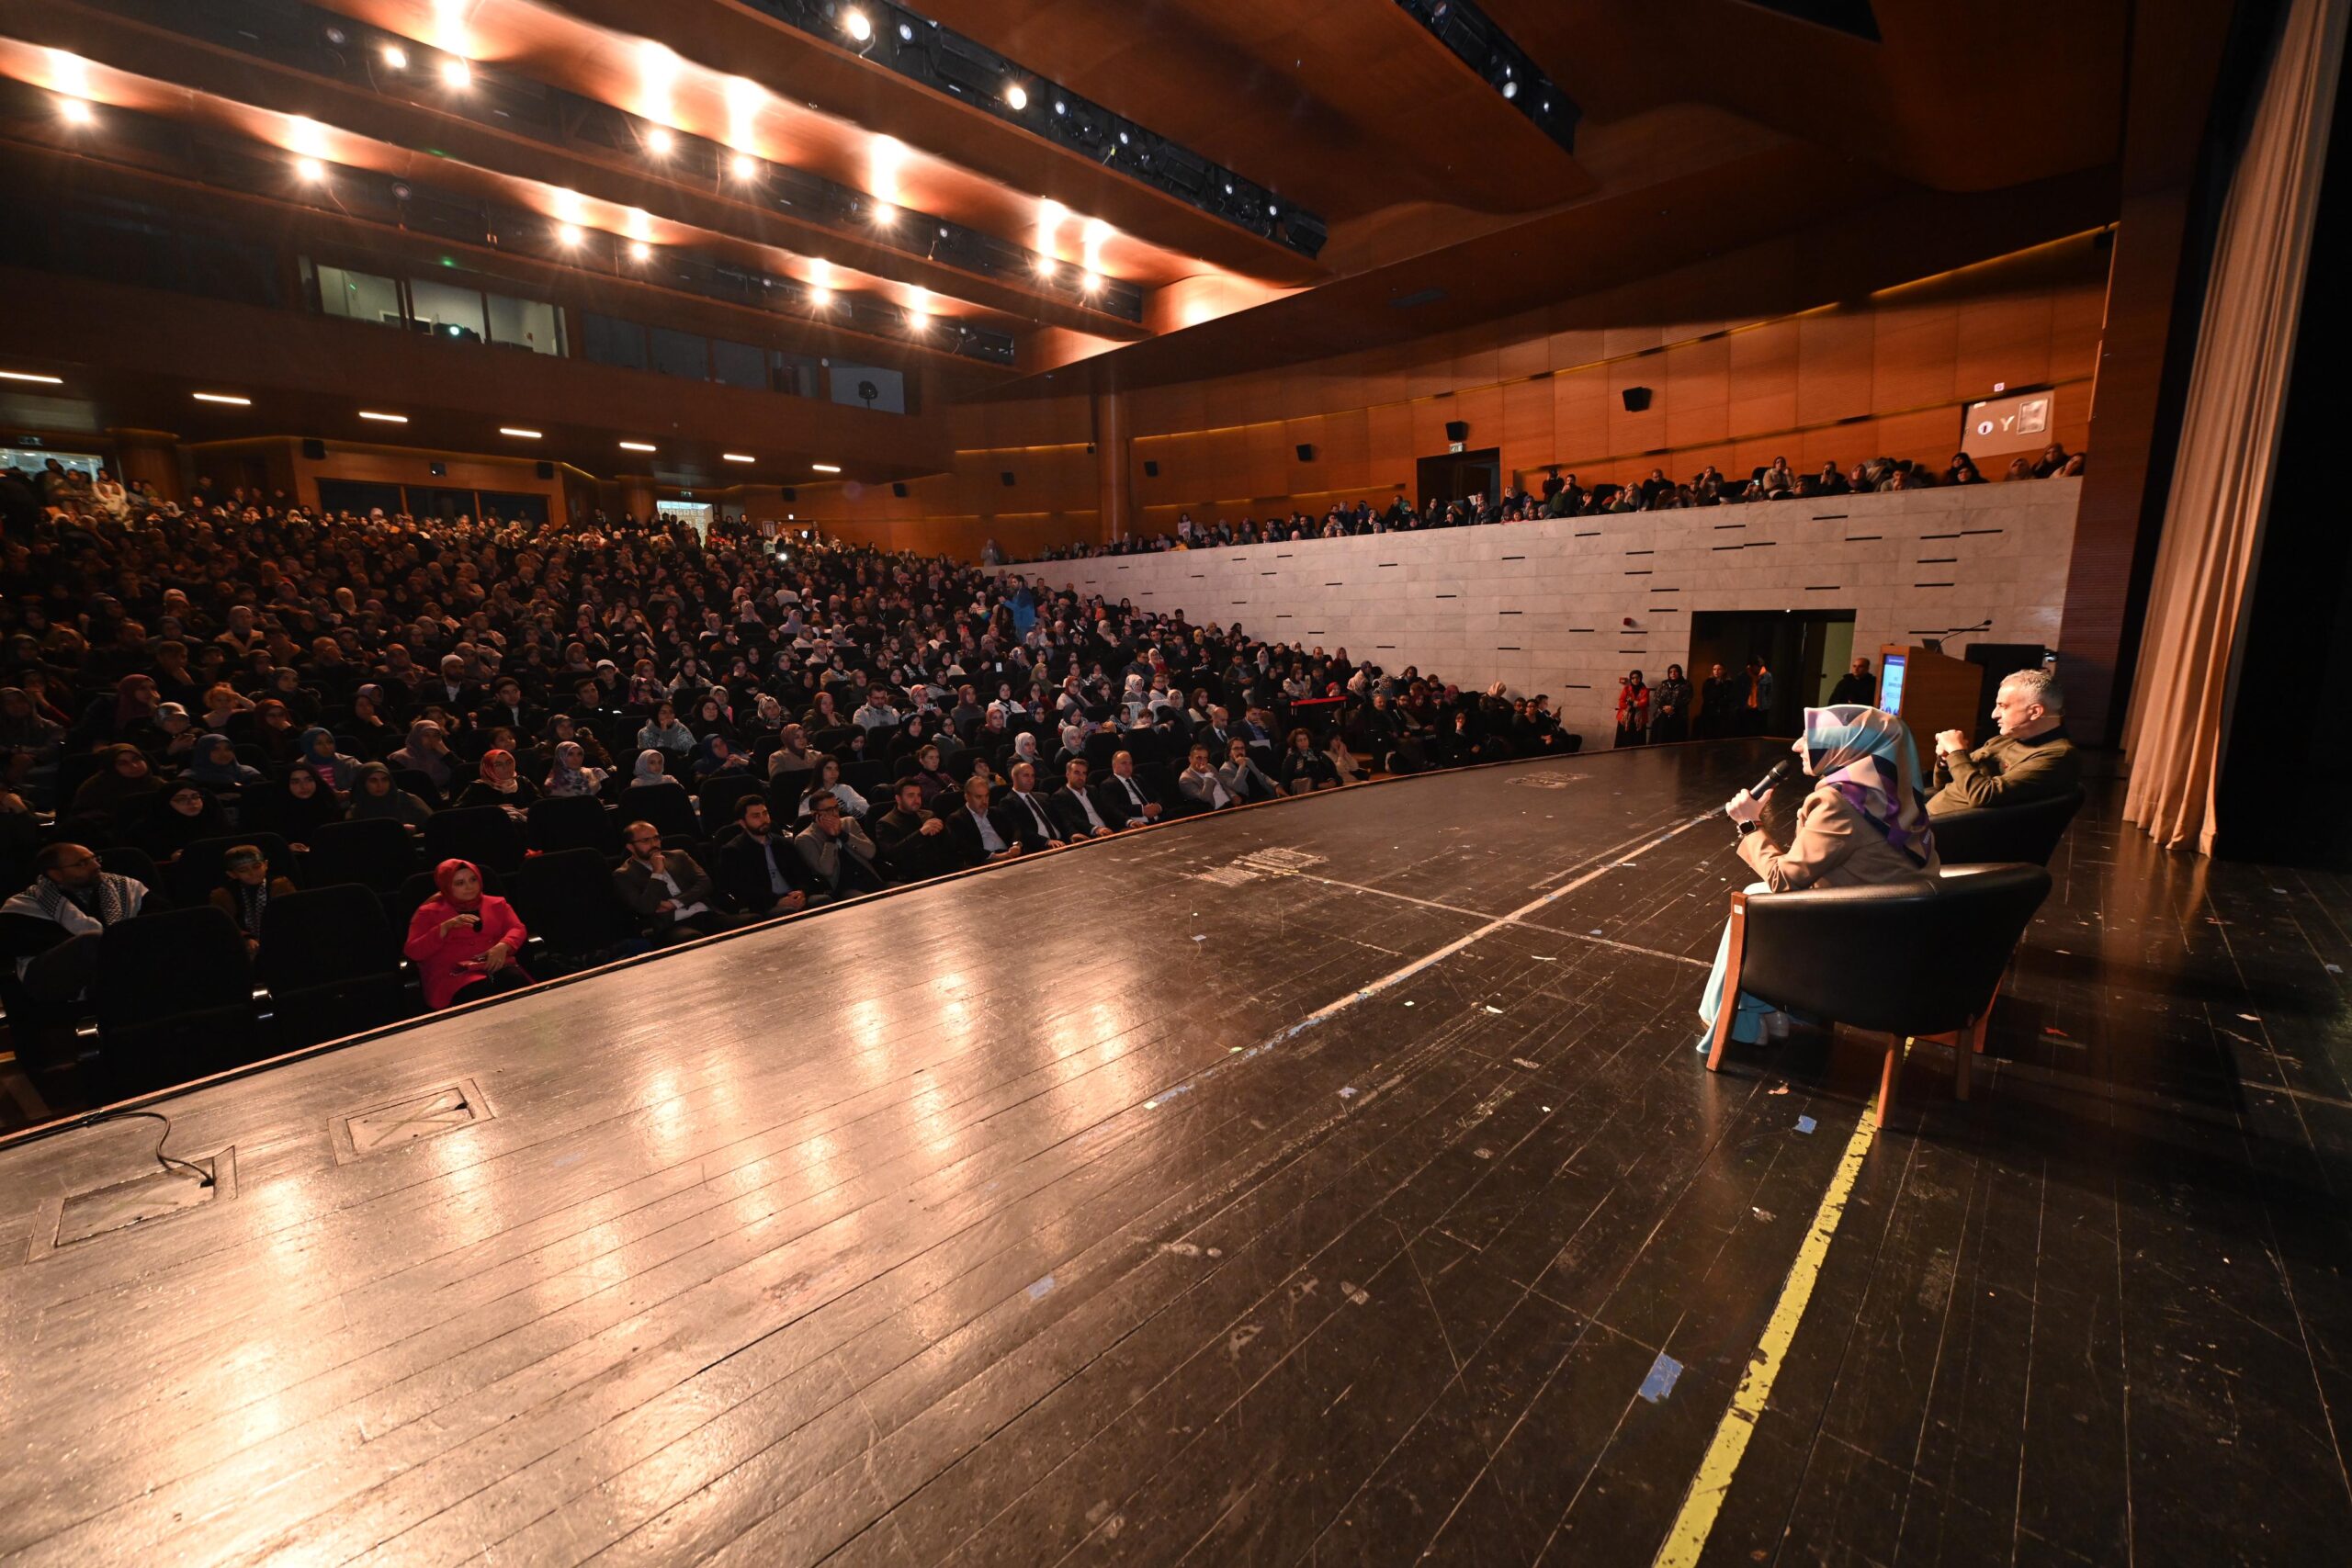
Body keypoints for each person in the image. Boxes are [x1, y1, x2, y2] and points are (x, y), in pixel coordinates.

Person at [1701, 707, 1940, 1051]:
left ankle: (1738, 1018)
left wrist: (1749, 825)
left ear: (1846, 744)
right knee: (1760, 894)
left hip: (1854, 946)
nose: (1797, 746)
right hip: (1899, 934)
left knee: (1755, 900)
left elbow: (1784, 879)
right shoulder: (1893, 792)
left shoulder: (1840, 802)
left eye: (1809, 737)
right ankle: (1769, 1012)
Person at [1, 843, 151, 1006]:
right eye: (82, 863)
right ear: (56, 874)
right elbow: (25, 946)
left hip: (116, 968)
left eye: (95, 859)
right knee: (92, 941)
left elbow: (159, 918)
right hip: (52, 976)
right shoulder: (23, 905)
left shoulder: (126, 887)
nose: (96, 866)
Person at [1925, 670, 2080, 815]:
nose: (1994, 714)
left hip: (1948, 828)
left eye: (2003, 706)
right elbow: (1944, 784)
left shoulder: (2058, 755)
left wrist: (1956, 752)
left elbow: (1984, 796)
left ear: (2035, 712)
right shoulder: (2005, 739)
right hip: (1926, 818)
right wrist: (1946, 759)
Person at [402, 857, 529, 1009]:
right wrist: (444, 928)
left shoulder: (497, 903)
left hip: (493, 964)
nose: (469, 887)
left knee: (515, 980)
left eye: (473, 880)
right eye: (460, 883)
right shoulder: (428, 912)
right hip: (452, 975)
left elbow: (517, 928)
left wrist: (503, 946)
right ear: (447, 886)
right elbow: (413, 951)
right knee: (481, 991)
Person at [614, 820, 733, 942]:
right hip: (672, 925)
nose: (654, 844)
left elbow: (705, 883)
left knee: (744, 922)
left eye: (656, 838)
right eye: (645, 840)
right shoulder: (624, 874)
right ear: (630, 847)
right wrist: (657, 873)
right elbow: (646, 907)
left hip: (706, 913)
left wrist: (675, 903)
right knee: (692, 938)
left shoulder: (678, 856)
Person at [711, 795, 812, 918]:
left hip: (794, 896)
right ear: (743, 823)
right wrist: (777, 901)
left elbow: (803, 873)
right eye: (756, 816)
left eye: (765, 813)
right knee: (787, 912)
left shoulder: (783, 843)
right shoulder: (733, 851)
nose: (764, 819)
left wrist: (801, 892)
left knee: (821, 900)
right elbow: (742, 889)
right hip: (764, 905)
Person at [794, 792, 885, 899]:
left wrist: (842, 834)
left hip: (869, 879)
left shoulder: (849, 823)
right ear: (815, 814)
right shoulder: (805, 839)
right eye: (828, 810)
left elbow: (871, 852)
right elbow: (826, 870)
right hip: (842, 888)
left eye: (836, 808)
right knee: (865, 900)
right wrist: (831, 838)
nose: (835, 813)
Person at [209, 843, 296, 953]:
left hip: (279, 938)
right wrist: (245, 938)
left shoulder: (280, 885)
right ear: (232, 874)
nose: (252, 873)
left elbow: (292, 915)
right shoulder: (222, 894)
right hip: (242, 946)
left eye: (256, 866)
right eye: (243, 870)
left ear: (266, 865)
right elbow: (223, 925)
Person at [243, 762, 344, 852]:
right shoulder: (273, 811)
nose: (304, 786)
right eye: (295, 782)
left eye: (309, 780)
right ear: (286, 784)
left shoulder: (327, 803)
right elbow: (264, 845)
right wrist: (286, 848)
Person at [873, 778, 958, 882]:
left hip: (939, 868)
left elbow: (947, 846)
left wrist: (943, 829)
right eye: (911, 795)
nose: (917, 800)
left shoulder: (928, 815)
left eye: (919, 795)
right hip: (911, 875)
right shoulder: (886, 823)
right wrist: (921, 833)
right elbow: (892, 854)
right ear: (898, 799)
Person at [139, 779, 231, 861]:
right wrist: (169, 858)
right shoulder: (148, 830)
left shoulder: (213, 820)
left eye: (195, 797)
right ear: (166, 803)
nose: (192, 802)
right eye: (181, 799)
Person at [945, 773, 1020, 867]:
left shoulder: (996, 812)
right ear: (967, 797)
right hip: (984, 862)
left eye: (986, 796)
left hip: (1009, 855)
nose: (984, 801)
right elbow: (964, 847)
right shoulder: (956, 819)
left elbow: (1015, 828)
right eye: (978, 797)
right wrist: (995, 856)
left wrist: (1016, 845)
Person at [995, 760, 1066, 851]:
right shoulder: (1007, 803)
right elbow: (1020, 830)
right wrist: (1046, 841)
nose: (1031, 779)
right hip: (1039, 848)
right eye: (1026, 775)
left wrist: (1072, 833)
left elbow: (1061, 819)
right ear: (1014, 778)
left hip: (1063, 842)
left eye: (1033, 776)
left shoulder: (1043, 796)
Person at [348, 761, 434, 831]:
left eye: (384, 780)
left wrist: (416, 829)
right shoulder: (356, 810)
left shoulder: (408, 800)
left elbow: (434, 826)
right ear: (363, 784)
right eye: (373, 781)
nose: (380, 785)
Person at [1048, 758, 1117, 840]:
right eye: (1077, 773)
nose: (1081, 777)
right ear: (1068, 774)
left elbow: (1107, 811)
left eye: (1084, 773)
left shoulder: (1092, 790)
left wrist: (1124, 824)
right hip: (1088, 837)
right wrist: (1096, 829)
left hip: (1109, 832)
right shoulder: (1060, 796)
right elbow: (1073, 819)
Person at [457, 748, 540, 814]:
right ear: (488, 768)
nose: (506, 767)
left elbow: (540, 805)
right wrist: (494, 812)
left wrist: (523, 811)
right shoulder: (477, 787)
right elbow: (459, 813)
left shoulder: (522, 781)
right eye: (498, 765)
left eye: (509, 762)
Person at [1096, 749, 1163, 828]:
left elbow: (1157, 795)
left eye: (1130, 763)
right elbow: (1113, 809)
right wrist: (1142, 810)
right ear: (1114, 766)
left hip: (1159, 819)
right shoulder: (1108, 785)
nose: (1128, 766)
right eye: (1124, 763)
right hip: (1137, 824)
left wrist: (1158, 806)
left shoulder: (1139, 778)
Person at [1218, 736, 1281, 803]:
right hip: (1252, 801)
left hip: (1267, 794)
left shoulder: (1248, 760)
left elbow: (1261, 776)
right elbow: (1237, 788)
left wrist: (1276, 785)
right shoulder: (1224, 770)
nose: (1240, 751)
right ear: (1229, 752)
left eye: (1242, 748)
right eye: (1236, 748)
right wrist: (1241, 766)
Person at [1178, 742, 1237, 811]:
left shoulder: (1210, 766)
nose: (1202, 762)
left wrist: (1233, 795)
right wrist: (1208, 775)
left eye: (1205, 758)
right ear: (1190, 759)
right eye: (1199, 758)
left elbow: (1223, 785)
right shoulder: (1185, 779)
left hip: (1230, 803)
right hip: (1215, 810)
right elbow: (1205, 799)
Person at [1648, 666, 1692, 745]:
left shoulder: (1686, 685)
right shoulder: (1664, 684)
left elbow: (1687, 698)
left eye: (1675, 671)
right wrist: (1665, 707)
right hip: (1662, 714)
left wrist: (1673, 708)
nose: (1673, 674)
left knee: (1675, 740)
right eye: (1671, 672)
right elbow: (1656, 697)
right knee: (1660, 738)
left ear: (1679, 672)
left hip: (1678, 715)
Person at [1614, 671, 1651, 748]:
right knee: (1624, 740)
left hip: (1639, 719)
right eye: (1633, 678)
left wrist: (1632, 703)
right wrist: (1632, 705)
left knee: (1637, 741)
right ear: (1631, 679)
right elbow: (1621, 703)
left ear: (1641, 678)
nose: (1635, 680)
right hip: (1625, 718)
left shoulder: (1645, 690)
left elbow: (1644, 702)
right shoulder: (1626, 689)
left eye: (1637, 678)